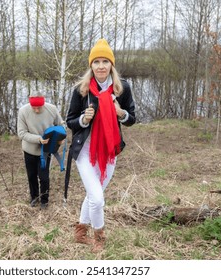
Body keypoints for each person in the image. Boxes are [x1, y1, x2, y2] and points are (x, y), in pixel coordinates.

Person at [66, 38, 136, 252]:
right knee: (97, 198)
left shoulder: (122, 88)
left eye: (105, 61)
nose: (101, 66)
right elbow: (70, 121)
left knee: (93, 194)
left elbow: (132, 118)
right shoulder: (81, 90)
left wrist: (120, 113)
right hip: (86, 152)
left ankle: (80, 232)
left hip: (109, 151)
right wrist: (83, 120)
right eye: (96, 62)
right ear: (91, 65)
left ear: (111, 65)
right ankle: (99, 237)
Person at [17, 93, 64, 210]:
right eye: (34, 108)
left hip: (46, 151)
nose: (37, 110)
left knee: (44, 177)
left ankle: (44, 200)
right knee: (31, 175)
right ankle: (34, 197)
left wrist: (59, 138)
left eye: (39, 107)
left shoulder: (52, 109)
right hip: (29, 150)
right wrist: (38, 139)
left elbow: (61, 125)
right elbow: (21, 133)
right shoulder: (23, 111)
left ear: (43, 103)